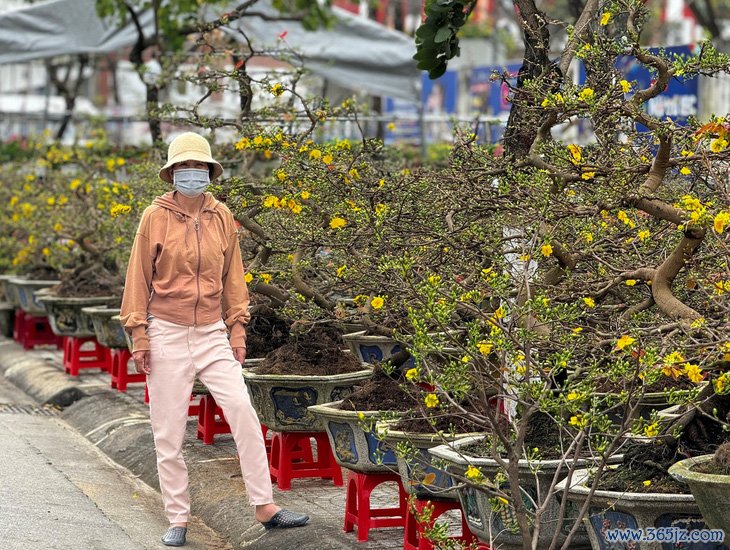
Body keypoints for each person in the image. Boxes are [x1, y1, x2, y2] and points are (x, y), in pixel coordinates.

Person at [120, 132, 309, 547]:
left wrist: (236, 327)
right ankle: (178, 517)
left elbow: (233, 277)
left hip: (211, 333)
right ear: (173, 173)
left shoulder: (221, 215)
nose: (193, 173)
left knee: (243, 410)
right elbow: (138, 278)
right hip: (165, 333)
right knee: (168, 431)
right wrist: (139, 335)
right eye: (185, 167)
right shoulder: (154, 216)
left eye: (200, 167)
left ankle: (265, 506)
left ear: (209, 172)